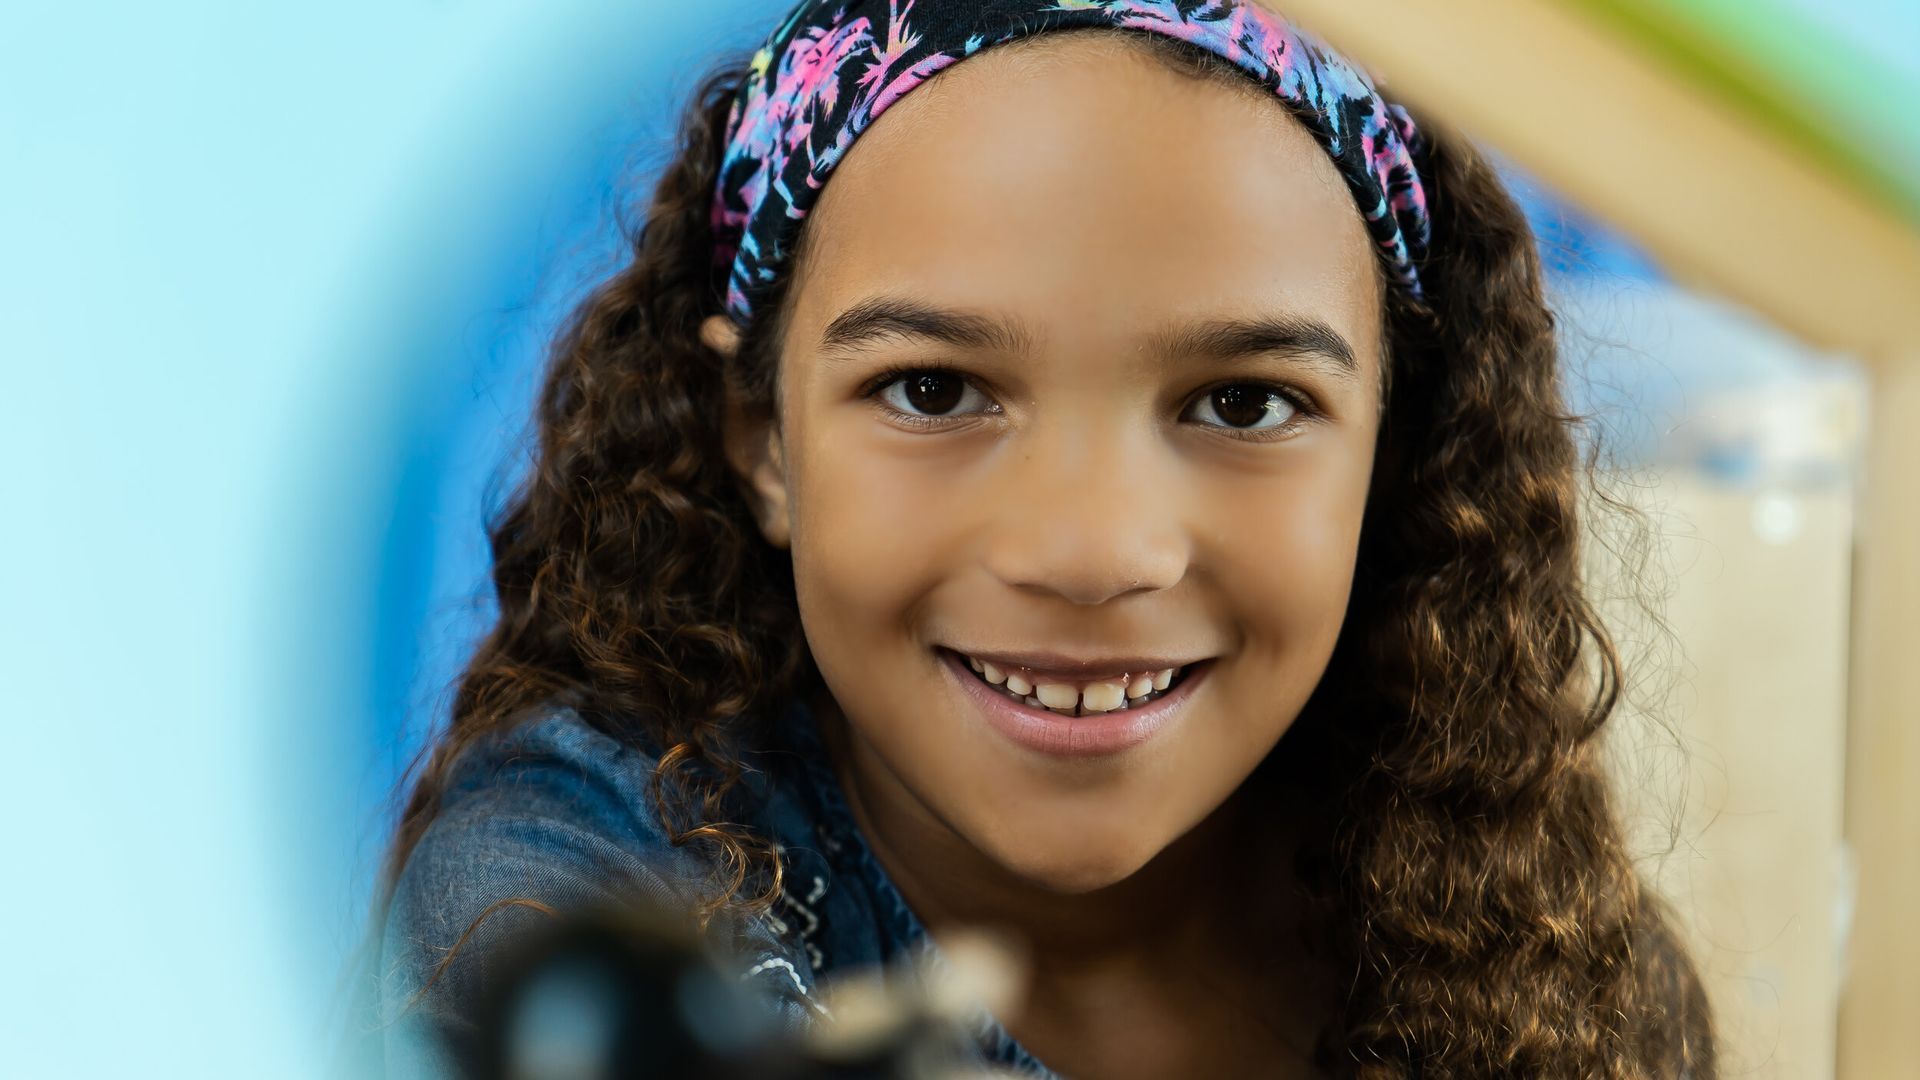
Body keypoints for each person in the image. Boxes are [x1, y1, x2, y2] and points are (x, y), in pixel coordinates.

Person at [373, 1, 1717, 1076]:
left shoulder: (1542, 980)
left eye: (1244, 403)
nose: (1090, 552)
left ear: (1394, 451)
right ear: (763, 441)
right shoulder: (556, 886)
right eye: (935, 390)